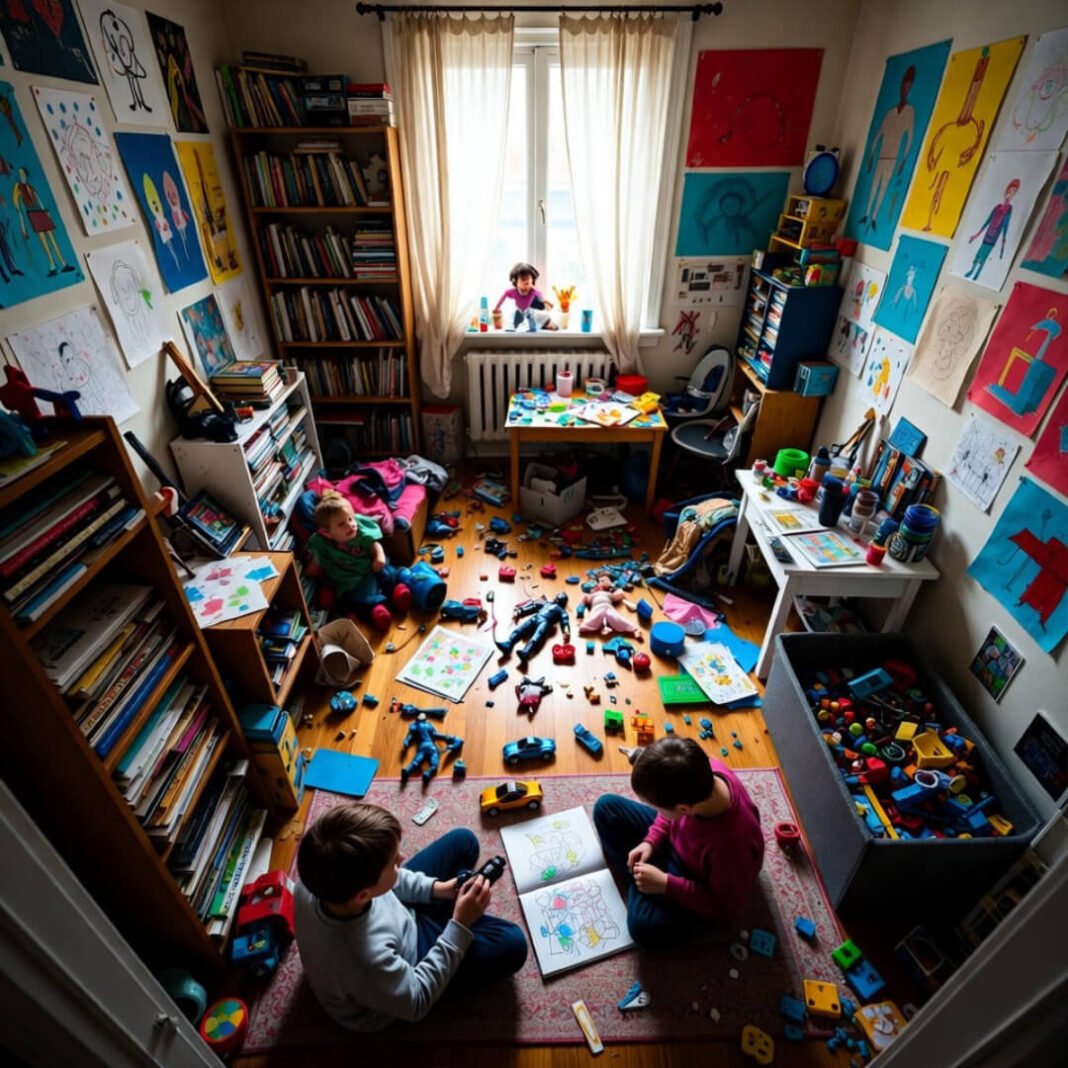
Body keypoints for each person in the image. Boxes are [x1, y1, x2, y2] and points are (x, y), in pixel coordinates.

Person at [294, 802, 528, 1032]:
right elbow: (416, 1001)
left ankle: (452, 909)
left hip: (398, 919)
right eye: (394, 863)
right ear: (363, 895)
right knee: (513, 943)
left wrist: (439, 888)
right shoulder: (365, 958)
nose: (403, 858)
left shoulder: (316, 880)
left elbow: (389, 884)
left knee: (464, 841)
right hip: (404, 963)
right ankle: (455, 919)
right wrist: (459, 925)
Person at [593, 737, 764, 946]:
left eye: (657, 807)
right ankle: (643, 883)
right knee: (606, 807)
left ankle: (642, 884)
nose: (657, 811)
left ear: (684, 809)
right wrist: (651, 840)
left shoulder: (731, 848)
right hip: (680, 845)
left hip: (700, 879)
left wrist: (666, 884)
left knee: (641, 927)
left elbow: (726, 906)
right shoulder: (701, 774)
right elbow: (667, 817)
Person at [307, 490, 411, 631]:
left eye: (350, 519)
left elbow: (374, 545)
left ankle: (398, 592)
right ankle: (377, 609)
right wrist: (309, 573)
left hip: (374, 567)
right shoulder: (323, 544)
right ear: (327, 532)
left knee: (391, 576)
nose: (350, 525)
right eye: (341, 524)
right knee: (357, 599)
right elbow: (317, 562)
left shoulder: (360, 531)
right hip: (353, 580)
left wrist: (379, 558)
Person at [494, 262, 558, 331]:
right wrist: (497, 307)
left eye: (528, 283)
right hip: (519, 311)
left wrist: (548, 303)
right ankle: (513, 328)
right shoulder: (513, 291)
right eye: (523, 282)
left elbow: (541, 297)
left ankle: (545, 324)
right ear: (516, 282)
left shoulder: (533, 291)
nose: (526, 289)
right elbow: (504, 296)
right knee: (513, 323)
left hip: (529, 311)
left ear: (532, 281)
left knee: (538, 318)